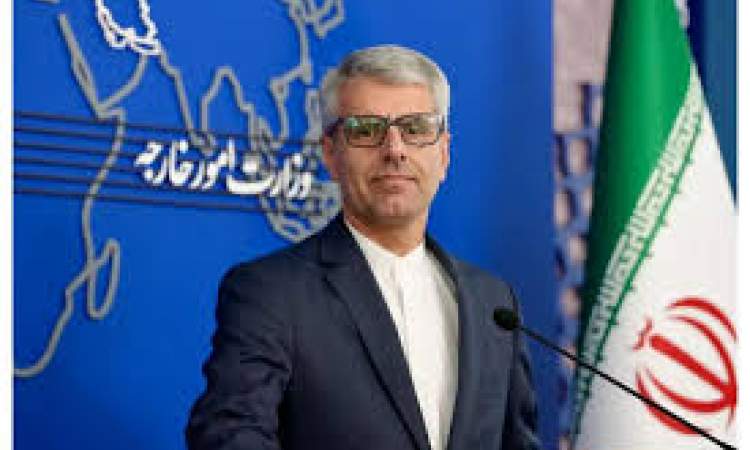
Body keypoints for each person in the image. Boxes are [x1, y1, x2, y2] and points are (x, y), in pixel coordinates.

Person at [186, 44, 539, 450]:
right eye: (366, 130)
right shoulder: (272, 293)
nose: (395, 150)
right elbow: (230, 435)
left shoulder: (494, 303)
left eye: (416, 128)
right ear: (331, 155)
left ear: (443, 154)